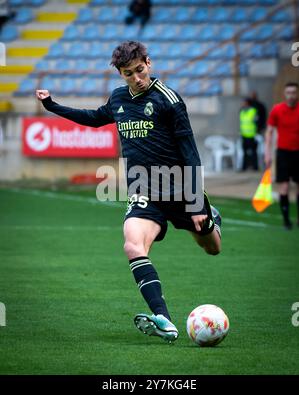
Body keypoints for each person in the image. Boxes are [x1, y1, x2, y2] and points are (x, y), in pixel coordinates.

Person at [36, 41, 222, 343]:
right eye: (128, 73)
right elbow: (95, 118)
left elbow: (189, 152)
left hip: (179, 189)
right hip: (144, 191)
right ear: (121, 74)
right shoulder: (119, 97)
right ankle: (165, 320)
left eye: (139, 70)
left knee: (212, 247)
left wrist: (197, 202)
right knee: (133, 246)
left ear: (148, 63)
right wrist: (52, 106)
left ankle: (212, 217)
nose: (136, 78)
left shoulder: (169, 100)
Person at [265, 82, 299, 230]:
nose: (291, 95)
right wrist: (267, 153)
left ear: (297, 93)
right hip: (283, 153)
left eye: (293, 92)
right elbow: (269, 131)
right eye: (288, 93)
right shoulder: (277, 110)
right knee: (284, 188)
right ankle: (286, 221)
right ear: (285, 94)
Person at [239, 97, 259, 171]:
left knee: (253, 152)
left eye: (244, 102)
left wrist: (257, 132)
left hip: (252, 135)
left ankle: (255, 167)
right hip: (244, 135)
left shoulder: (253, 111)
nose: (243, 104)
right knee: (244, 152)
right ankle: (244, 167)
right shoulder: (242, 112)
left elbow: (257, 122)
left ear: (248, 103)